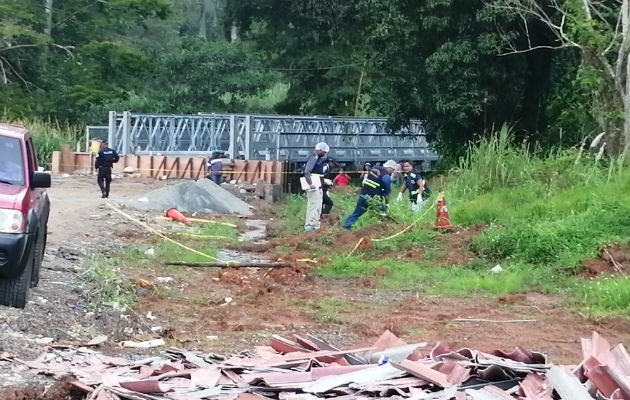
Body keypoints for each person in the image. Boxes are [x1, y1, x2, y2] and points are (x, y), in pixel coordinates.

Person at [342, 160, 397, 230]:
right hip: (373, 200)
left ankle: (344, 229)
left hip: (363, 196)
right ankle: (388, 228)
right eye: (393, 170)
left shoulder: (374, 168)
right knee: (384, 212)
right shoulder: (386, 176)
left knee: (355, 214)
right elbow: (387, 193)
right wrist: (387, 204)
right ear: (390, 168)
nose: (392, 172)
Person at [303, 142, 329, 232]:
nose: (325, 154)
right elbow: (307, 172)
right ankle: (310, 225)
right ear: (320, 150)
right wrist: (310, 183)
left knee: (318, 205)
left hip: (319, 185)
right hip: (313, 186)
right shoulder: (313, 158)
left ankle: (315, 224)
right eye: (324, 152)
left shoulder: (318, 160)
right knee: (313, 205)